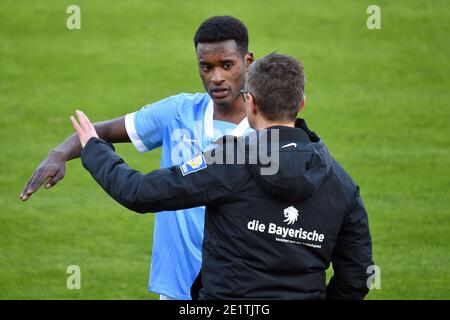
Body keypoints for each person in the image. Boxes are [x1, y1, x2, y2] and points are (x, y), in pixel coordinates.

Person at [72, 53, 374, 299]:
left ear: (250, 103)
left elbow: (138, 192)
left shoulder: (229, 160)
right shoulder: (342, 183)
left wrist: (94, 149)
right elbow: (358, 277)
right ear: (301, 104)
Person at [20, 16, 254, 300]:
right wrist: (58, 154)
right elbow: (100, 132)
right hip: (176, 284)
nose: (216, 77)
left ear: (248, 61)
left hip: (236, 289)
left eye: (226, 65)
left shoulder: (266, 131)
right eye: (206, 67)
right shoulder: (178, 111)